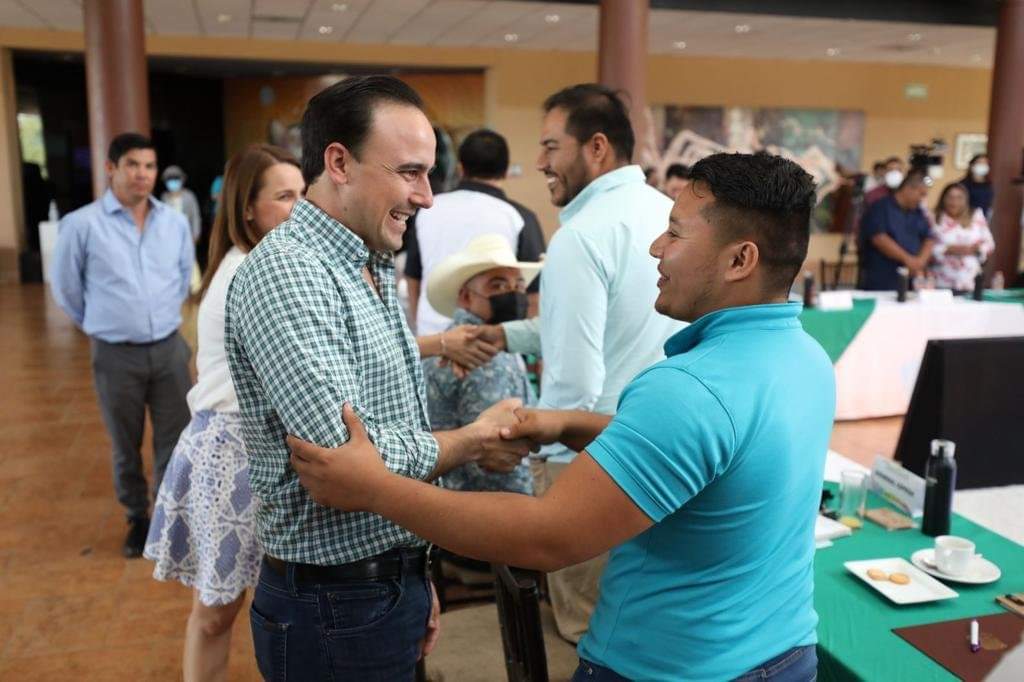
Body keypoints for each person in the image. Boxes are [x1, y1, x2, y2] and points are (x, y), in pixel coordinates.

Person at [287, 151, 834, 682]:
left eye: (675, 233)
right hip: (783, 652)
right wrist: (568, 424)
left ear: (740, 260)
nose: (656, 247)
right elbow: (711, 460)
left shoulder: (689, 389)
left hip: (671, 666)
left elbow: (547, 538)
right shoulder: (806, 358)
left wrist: (375, 488)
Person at [224, 75, 530, 680]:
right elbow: (344, 463)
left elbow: (388, 436)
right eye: (410, 172)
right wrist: (472, 440)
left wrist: (414, 572)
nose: (427, 197)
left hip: (381, 581)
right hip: (333, 601)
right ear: (339, 162)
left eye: (429, 174)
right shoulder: (290, 272)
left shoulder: (368, 261)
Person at [478, 83, 683, 643]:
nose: (539, 162)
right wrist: (505, 335)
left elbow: (576, 378)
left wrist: (540, 455)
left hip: (590, 459)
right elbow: (614, 324)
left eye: (550, 146)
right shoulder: (667, 215)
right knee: (638, 621)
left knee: (585, 631)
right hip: (664, 448)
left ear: (596, 148)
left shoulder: (582, 236)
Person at [142, 144, 304, 682]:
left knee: (247, 605)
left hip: (255, 447)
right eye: (285, 196)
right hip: (231, 453)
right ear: (248, 208)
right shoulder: (246, 271)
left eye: (303, 194)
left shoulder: (264, 263)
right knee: (215, 613)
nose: (300, 207)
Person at [50, 132, 193, 558]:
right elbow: (66, 290)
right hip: (115, 354)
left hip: (169, 349)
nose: (142, 174)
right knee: (125, 443)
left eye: (149, 166)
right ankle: (137, 518)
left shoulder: (174, 223)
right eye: (132, 165)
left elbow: (183, 277)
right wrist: (104, 324)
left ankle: (168, 520)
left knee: (175, 439)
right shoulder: (81, 225)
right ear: (111, 168)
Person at [423, 234, 542, 495]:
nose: (513, 293)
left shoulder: (468, 341)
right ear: (466, 297)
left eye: (519, 285)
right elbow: (498, 454)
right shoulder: (480, 353)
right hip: (483, 502)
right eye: (498, 286)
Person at [404, 129, 546, 335]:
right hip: (492, 341)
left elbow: (413, 279)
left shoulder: (428, 210)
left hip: (432, 337)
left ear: (460, 168)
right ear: (506, 171)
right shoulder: (520, 216)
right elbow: (533, 296)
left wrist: (422, 330)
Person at [858, 168, 935, 290]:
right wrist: (908, 260)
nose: (922, 199)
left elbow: (929, 238)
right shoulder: (880, 207)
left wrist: (920, 261)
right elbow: (879, 238)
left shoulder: (918, 212)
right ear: (908, 189)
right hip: (883, 278)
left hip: (911, 280)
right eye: (921, 194)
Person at [930, 182, 995, 292]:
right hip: (941, 281)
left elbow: (989, 244)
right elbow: (926, 247)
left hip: (970, 281)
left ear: (966, 200)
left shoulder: (976, 215)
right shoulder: (933, 217)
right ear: (943, 199)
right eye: (950, 197)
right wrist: (949, 249)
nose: (954, 202)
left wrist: (975, 249)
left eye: (959, 198)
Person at [162, 165, 203, 243]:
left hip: (186, 236)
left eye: (176, 179)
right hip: (169, 237)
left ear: (182, 180)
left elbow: (195, 216)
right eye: (170, 179)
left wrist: (195, 235)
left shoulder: (189, 196)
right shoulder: (164, 197)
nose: (173, 182)